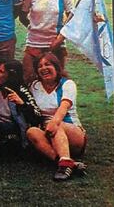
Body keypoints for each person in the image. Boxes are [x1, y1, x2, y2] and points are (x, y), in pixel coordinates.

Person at [26, 53, 87, 181]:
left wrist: (53, 123)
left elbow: (63, 108)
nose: (44, 68)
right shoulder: (34, 86)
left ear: (57, 67)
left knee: (55, 124)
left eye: (48, 64)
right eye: (40, 66)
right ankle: (66, 163)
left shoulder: (67, 84)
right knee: (31, 132)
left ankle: (65, 164)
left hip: (71, 133)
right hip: (48, 134)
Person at [19, 0, 74, 84]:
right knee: (29, 80)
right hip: (34, 44)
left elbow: (72, 19)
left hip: (56, 46)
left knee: (55, 81)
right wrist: (33, 27)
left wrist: (59, 39)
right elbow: (22, 15)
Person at [0, 59, 41, 151]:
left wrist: (22, 104)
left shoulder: (21, 90)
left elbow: (37, 115)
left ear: (11, 75)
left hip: (11, 126)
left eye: (1, 72)